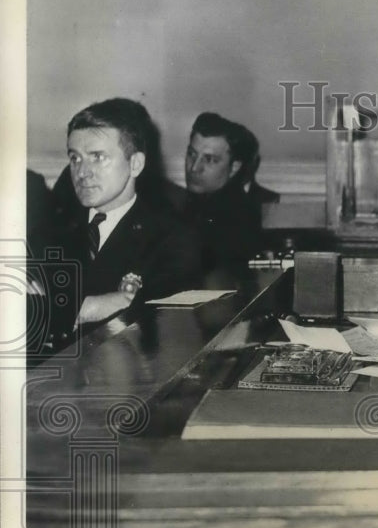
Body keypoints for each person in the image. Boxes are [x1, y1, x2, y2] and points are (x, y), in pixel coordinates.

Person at [29, 98, 201, 351]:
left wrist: (51, 308)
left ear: (135, 164)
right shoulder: (49, 231)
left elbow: (154, 318)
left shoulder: (173, 238)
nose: (82, 172)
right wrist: (91, 307)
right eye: (75, 158)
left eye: (98, 157)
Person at [167, 112, 274, 273]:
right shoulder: (182, 204)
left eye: (210, 160)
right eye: (191, 154)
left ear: (234, 168)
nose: (194, 168)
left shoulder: (240, 219)